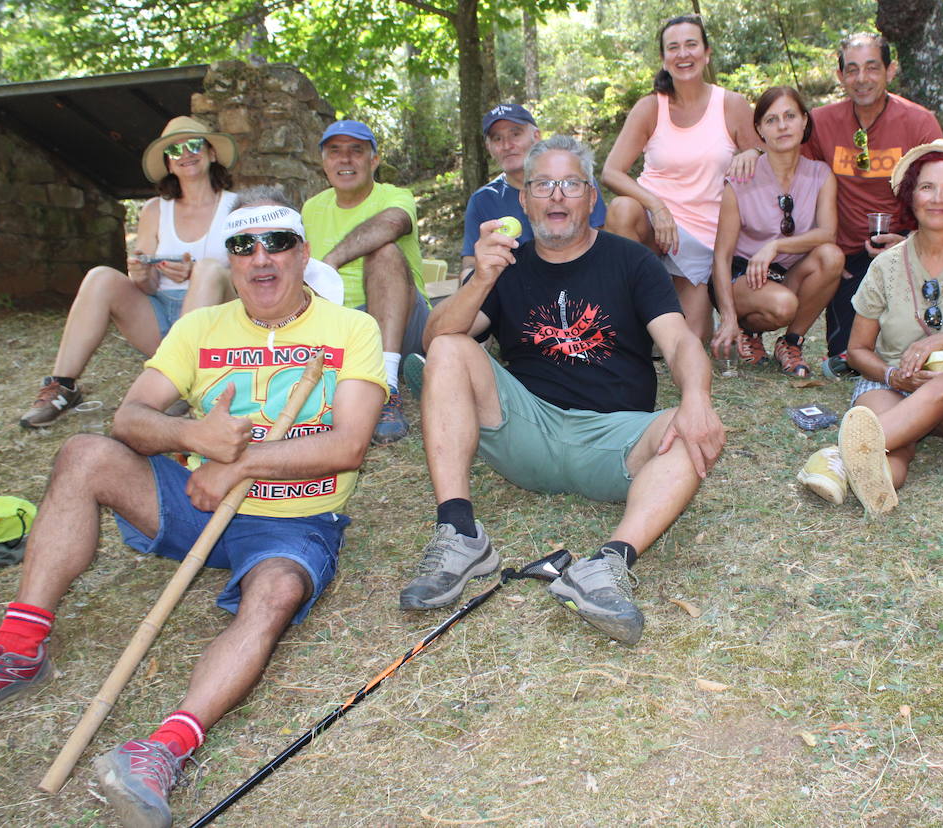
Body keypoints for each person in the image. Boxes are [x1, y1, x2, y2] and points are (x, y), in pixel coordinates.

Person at [0, 195, 386, 827]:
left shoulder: (350, 330)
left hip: (294, 520)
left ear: (301, 254)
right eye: (244, 247)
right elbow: (128, 419)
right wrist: (195, 439)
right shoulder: (198, 329)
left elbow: (349, 445)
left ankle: (165, 749)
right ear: (231, 263)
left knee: (275, 594)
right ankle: (18, 647)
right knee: (83, 454)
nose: (261, 258)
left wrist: (238, 465)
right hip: (191, 502)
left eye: (277, 243)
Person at [399, 136, 724, 646]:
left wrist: (697, 400)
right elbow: (433, 336)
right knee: (447, 349)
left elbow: (680, 340)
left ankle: (606, 566)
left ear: (592, 197)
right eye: (542, 185)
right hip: (528, 430)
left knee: (692, 431)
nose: (556, 196)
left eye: (571, 183)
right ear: (523, 200)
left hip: (616, 441)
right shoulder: (504, 266)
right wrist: (480, 278)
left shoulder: (632, 262)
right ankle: (461, 533)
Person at [797, 141, 943, 513]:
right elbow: (858, 351)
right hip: (888, 382)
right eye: (927, 187)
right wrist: (893, 376)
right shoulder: (886, 266)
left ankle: (836, 455)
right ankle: (875, 485)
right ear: (911, 197)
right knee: (889, 434)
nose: (938, 198)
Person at [19, 116, 239, 429]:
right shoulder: (154, 210)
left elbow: (251, 277)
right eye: (175, 150)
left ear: (212, 153)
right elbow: (147, 286)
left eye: (194, 145)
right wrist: (142, 275)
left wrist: (195, 274)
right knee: (101, 277)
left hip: (217, 323)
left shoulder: (237, 208)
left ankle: (184, 382)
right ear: (168, 163)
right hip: (161, 317)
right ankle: (62, 386)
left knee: (208, 268)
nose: (186, 154)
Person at [601, 14, 760, 341]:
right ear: (663, 58)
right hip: (652, 227)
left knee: (688, 343)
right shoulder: (650, 107)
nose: (683, 54)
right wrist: (656, 207)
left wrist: (753, 153)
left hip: (701, 240)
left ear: (707, 52)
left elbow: (766, 160)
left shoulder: (731, 104)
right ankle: (628, 313)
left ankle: (680, 303)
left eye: (691, 45)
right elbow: (611, 171)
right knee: (621, 209)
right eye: (673, 47)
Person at [804, 34, 943, 375]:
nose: (862, 78)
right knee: (847, 358)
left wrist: (914, 242)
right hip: (849, 256)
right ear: (840, 76)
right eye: (852, 70)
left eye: (871, 68)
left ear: (890, 70)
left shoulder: (919, 122)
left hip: (909, 248)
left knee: (909, 350)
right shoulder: (820, 123)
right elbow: (794, 181)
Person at [301, 119, 431, 444]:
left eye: (356, 151)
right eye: (335, 152)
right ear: (324, 162)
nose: (345, 160)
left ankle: (386, 388)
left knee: (384, 252)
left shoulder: (395, 196)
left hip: (402, 324)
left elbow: (392, 224)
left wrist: (329, 262)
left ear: (373, 160)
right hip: (340, 329)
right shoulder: (311, 208)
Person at [709, 86, 844, 374]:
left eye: (790, 116)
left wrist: (776, 246)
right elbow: (721, 256)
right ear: (759, 128)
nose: (782, 126)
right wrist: (729, 318)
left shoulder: (820, 174)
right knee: (783, 304)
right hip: (742, 277)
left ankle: (791, 343)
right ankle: (744, 330)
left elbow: (827, 234)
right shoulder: (741, 178)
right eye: (771, 120)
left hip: (786, 271)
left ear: (804, 121)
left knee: (832, 256)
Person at [461, 103, 607, 275]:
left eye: (515, 134)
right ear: (489, 148)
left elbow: (601, 241)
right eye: (497, 139)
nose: (507, 145)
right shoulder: (483, 200)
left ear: (536, 136)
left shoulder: (576, 183)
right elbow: (469, 264)